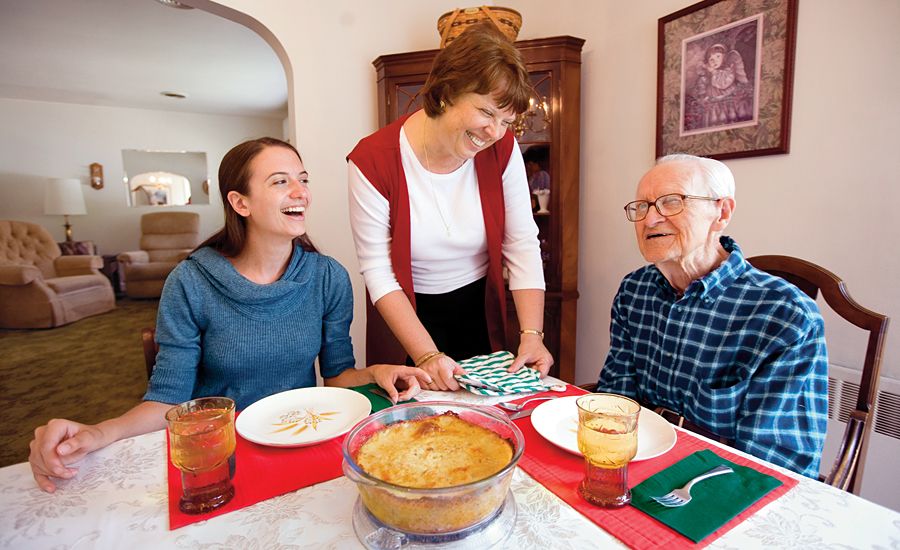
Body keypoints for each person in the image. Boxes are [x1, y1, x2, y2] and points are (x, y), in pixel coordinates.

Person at [29, 137, 431, 492]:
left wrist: (376, 372)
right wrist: (99, 432)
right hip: (221, 453)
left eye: (303, 179)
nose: (301, 193)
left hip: (303, 438)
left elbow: (337, 377)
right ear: (240, 203)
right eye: (280, 182)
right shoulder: (190, 282)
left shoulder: (328, 277)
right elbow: (168, 398)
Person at [347, 23, 552, 391]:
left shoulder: (501, 151)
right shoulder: (372, 160)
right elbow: (378, 270)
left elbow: (521, 243)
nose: (495, 132)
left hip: (477, 308)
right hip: (406, 316)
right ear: (446, 93)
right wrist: (425, 354)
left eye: (506, 121)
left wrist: (531, 333)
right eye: (487, 113)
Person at [596, 154, 828, 478]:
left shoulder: (786, 316)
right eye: (642, 207)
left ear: (722, 212)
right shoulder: (634, 290)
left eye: (671, 202)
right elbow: (615, 399)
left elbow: (774, 465)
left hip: (718, 481)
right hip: (637, 460)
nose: (649, 220)